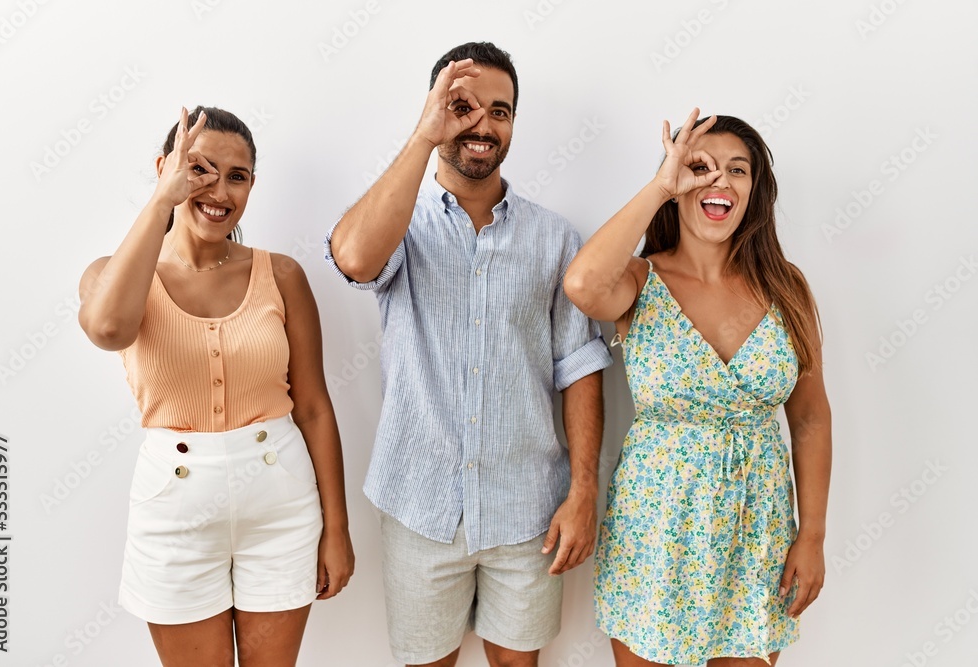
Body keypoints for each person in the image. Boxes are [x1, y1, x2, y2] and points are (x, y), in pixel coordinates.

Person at [324, 42, 612, 667]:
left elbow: (579, 368)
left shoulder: (556, 238)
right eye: (463, 107)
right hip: (420, 504)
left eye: (500, 111)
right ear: (435, 110)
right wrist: (426, 136)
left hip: (529, 510)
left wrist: (584, 490)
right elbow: (352, 257)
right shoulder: (398, 223)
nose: (482, 125)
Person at [78, 106, 354, 667]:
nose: (218, 191)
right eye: (199, 170)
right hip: (173, 510)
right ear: (166, 168)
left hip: (282, 504)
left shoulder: (281, 275)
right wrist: (161, 202)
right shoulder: (113, 272)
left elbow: (316, 409)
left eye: (237, 176)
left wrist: (338, 529)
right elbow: (108, 329)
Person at [564, 109, 832, 666]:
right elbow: (582, 283)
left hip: (758, 530)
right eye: (700, 167)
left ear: (754, 191)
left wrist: (813, 536)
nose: (719, 181)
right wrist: (660, 185)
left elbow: (809, 418)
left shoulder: (787, 286)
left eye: (738, 170)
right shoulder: (639, 280)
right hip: (657, 526)